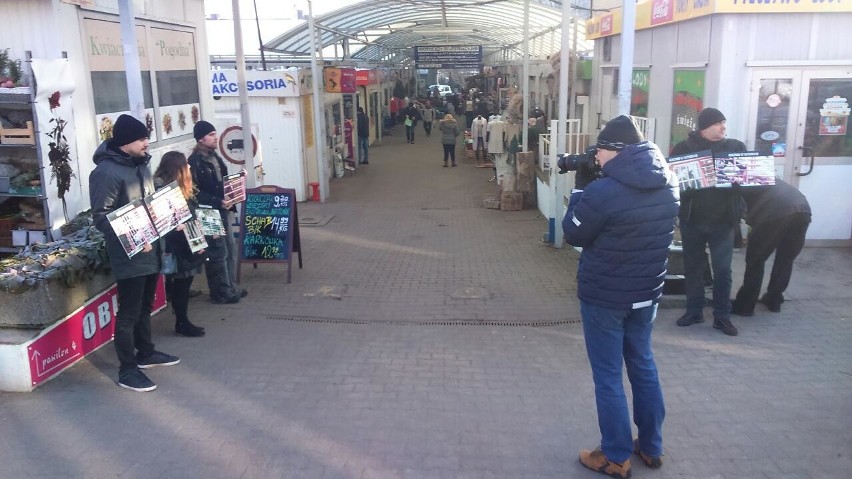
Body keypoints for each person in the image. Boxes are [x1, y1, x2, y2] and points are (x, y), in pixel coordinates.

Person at [564, 116, 679, 479]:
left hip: (605, 299)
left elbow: (573, 233)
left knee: (609, 375)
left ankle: (615, 456)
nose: (595, 158)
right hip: (647, 295)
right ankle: (651, 445)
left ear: (615, 151)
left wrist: (582, 188)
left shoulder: (602, 192)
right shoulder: (669, 181)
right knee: (643, 366)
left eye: (598, 151)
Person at [89, 114, 181, 392]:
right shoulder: (106, 172)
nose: (147, 143)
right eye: (141, 138)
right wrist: (135, 236)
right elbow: (101, 216)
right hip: (129, 254)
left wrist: (170, 218)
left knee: (145, 306)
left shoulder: (141, 165)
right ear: (126, 141)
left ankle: (146, 352)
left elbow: (149, 204)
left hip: (151, 251)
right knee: (128, 313)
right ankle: (127, 369)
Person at [670, 107, 746, 336]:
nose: (723, 127)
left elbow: (747, 179)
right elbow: (673, 181)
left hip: (723, 221)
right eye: (718, 123)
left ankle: (722, 316)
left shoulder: (734, 147)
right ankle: (694, 310)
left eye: (724, 123)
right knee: (693, 268)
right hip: (692, 220)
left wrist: (738, 183)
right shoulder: (684, 148)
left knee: (722, 270)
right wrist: (691, 182)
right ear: (705, 127)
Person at [731, 178, 811, 315]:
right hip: (803, 210)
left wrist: (735, 239)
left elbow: (739, 214)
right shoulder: (763, 175)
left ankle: (745, 306)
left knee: (755, 259)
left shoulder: (741, 183)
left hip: (775, 213)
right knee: (785, 259)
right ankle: (774, 300)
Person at [188, 120, 247, 304]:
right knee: (216, 253)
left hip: (223, 208)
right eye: (211, 134)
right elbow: (195, 191)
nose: (216, 137)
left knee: (229, 248)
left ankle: (229, 286)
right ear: (200, 139)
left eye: (215, 133)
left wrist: (236, 182)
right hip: (208, 212)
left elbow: (221, 183)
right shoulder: (194, 162)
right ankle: (220, 292)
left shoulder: (215, 157)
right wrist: (217, 200)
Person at [154, 151, 207, 337]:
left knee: (184, 283)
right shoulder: (165, 191)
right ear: (178, 168)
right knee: (181, 283)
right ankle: (182, 322)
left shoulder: (177, 188)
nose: (190, 167)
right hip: (177, 246)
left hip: (186, 241)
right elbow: (169, 222)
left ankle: (183, 320)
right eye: (186, 164)